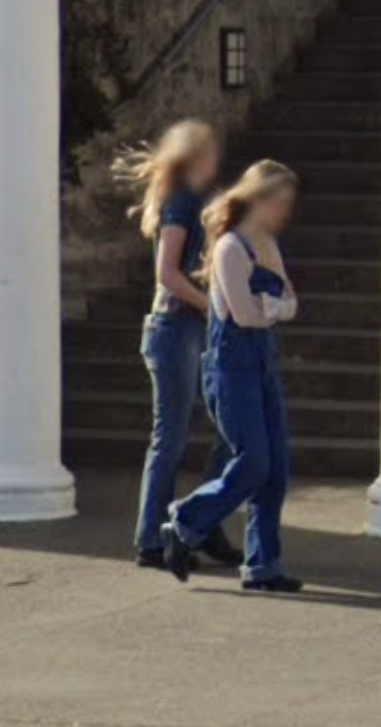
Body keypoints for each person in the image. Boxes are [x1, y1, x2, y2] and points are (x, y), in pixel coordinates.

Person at [161, 160, 304, 594]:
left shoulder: (267, 244)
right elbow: (245, 314)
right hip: (230, 368)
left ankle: (263, 566)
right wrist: (272, 307)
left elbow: (291, 303)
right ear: (257, 199)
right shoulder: (229, 247)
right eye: (278, 203)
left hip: (262, 362)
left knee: (275, 468)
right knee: (254, 460)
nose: (284, 213)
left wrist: (272, 307)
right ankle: (186, 521)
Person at [115, 121, 242, 571]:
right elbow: (167, 273)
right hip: (175, 327)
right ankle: (152, 536)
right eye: (208, 153)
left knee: (229, 429)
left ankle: (200, 521)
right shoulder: (182, 200)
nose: (215, 161)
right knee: (170, 436)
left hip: (189, 328)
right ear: (194, 158)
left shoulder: (196, 199)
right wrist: (211, 305)